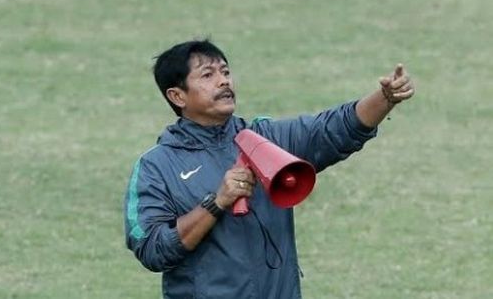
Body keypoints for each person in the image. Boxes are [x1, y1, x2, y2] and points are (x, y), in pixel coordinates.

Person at [123, 39, 415, 298]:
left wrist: (384, 99)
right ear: (178, 96)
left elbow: (333, 129)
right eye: (208, 75)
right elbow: (152, 249)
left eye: (225, 72)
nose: (224, 81)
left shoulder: (267, 140)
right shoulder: (156, 166)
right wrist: (216, 203)